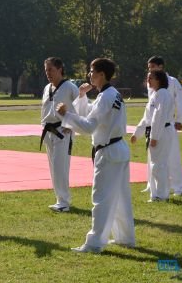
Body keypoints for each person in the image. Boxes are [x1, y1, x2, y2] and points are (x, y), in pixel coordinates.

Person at [56, 58, 135, 253]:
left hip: (108, 151)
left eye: (92, 71)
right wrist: (82, 97)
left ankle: (94, 243)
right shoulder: (111, 94)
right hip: (118, 149)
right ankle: (125, 237)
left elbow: (89, 126)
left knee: (100, 198)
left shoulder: (107, 96)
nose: (89, 75)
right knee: (120, 197)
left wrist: (66, 114)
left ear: (101, 74)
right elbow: (91, 114)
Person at [142, 56, 182, 196]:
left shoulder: (172, 81)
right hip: (153, 124)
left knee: (172, 156)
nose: (150, 70)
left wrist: (180, 119)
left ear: (161, 66)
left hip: (168, 123)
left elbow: (179, 101)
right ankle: (151, 184)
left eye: (153, 66)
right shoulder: (151, 82)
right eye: (149, 67)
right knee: (153, 157)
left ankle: (178, 187)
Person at [40, 57, 79, 212]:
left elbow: (82, 107)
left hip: (63, 131)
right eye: (46, 70)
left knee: (60, 166)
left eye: (51, 69)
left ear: (60, 69)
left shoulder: (70, 87)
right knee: (53, 167)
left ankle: (64, 201)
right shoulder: (46, 88)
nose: (48, 73)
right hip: (48, 130)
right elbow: (44, 110)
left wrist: (73, 124)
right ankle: (59, 199)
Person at [131, 70, 174, 202]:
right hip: (156, 131)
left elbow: (158, 117)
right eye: (148, 78)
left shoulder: (163, 94)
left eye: (151, 78)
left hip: (161, 131)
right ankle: (157, 194)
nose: (148, 81)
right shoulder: (156, 94)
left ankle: (161, 195)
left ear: (159, 80)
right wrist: (137, 133)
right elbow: (147, 118)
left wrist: (155, 137)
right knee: (156, 164)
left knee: (158, 165)